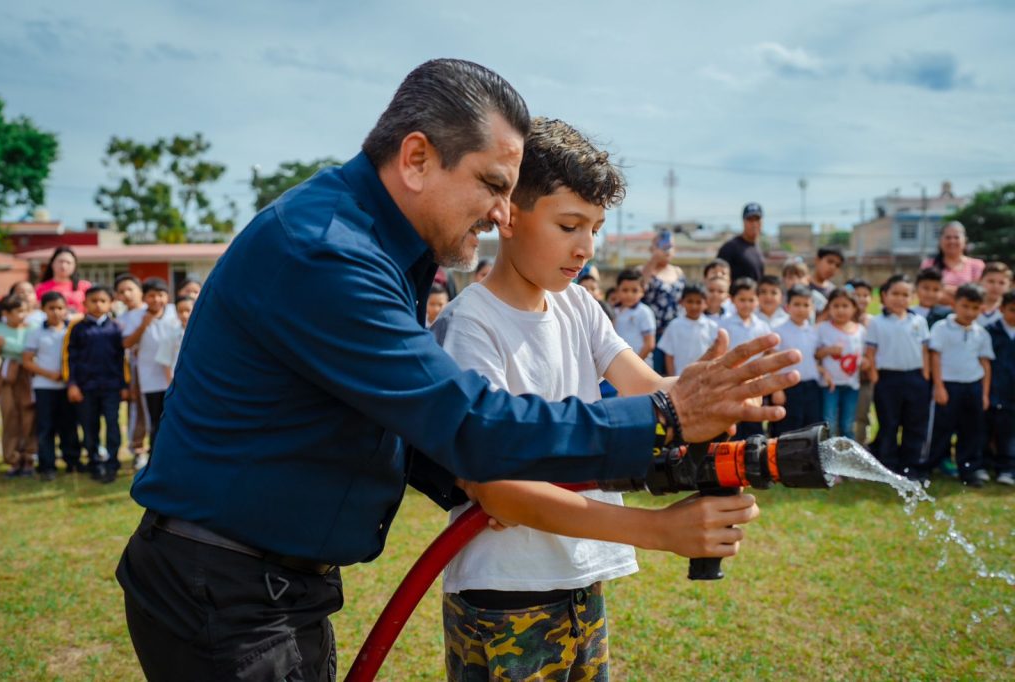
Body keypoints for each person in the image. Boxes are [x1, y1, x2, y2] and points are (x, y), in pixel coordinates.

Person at [115, 59, 800, 679]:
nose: (502, 213)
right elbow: (468, 420)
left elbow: (394, 415)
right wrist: (665, 417)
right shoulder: (329, 253)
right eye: (493, 185)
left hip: (263, 587)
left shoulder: (377, 243)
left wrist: (464, 481)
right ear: (417, 158)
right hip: (226, 593)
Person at [433, 116, 760, 681]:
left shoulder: (577, 306)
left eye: (595, 228)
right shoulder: (471, 326)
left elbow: (649, 392)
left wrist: (706, 393)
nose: (585, 247)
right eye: (569, 225)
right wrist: (659, 531)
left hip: (579, 574)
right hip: (507, 588)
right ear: (507, 214)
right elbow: (497, 489)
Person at [923, 283, 994, 487]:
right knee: (941, 428)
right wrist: (939, 386)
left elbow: (985, 364)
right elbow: (935, 357)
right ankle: (929, 466)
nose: (970, 312)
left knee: (972, 430)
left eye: (975, 308)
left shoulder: (981, 333)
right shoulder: (941, 328)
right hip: (948, 386)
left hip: (973, 387)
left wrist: (984, 394)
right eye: (965, 306)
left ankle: (969, 470)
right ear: (954, 304)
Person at [865, 274, 931, 477]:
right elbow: (871, 352)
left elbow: (925, 350)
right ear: (885, 295)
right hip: (887, 379)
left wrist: (925, 374)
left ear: (912, 297)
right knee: (889, 423)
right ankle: (888, 465)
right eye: (895, 293)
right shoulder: (877, 322)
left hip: (916, 378)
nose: (899, 299)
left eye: (905, 294)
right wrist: (874, 375)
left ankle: (910, 464)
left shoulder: (919, 321)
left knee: (914, 423)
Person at [62, 286, 128, 484]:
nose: (98, 305)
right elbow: (70, 358)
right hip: (85, 387)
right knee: (89, 426)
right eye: (93, 301)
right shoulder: (77, 328)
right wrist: (72, 384)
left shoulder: (116, 328)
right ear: (85, 303)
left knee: (112, 424)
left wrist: (124, 385)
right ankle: (94, 462)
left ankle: (112, 462)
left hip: (111, 387)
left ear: (110, 304)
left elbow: (122, 359)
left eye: (103, 301)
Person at [121, 278, 180, 470]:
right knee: (154, 419)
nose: (156, 299)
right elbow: (126, 344)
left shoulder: (174, 312)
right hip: (149, 378)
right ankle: (154, 457)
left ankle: (174, 454)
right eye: (151, 295)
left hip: (175, 376)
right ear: (144, 298)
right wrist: (143, 325)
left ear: (167, 296)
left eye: (161, 295)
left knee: (175, 416)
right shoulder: (136, 316)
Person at [22, 292, 80, 480]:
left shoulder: (72, 330)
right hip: (45, 386)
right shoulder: (36, 332)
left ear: (66, 309)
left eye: (60, 308)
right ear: (43, 309)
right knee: (46, 427)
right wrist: (49, 374)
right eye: (51, 308)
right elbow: (27, 361)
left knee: (69, 425)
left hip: (68, 387)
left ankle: (72, 461)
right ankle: (47, 465)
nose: (56, 312)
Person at [719, 277, 773, 438]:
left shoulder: (762, 326)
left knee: (754, 423)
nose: (747, 304)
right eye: (742, 300)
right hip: (732, 381)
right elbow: (721, 353)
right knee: (733, 423)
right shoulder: (725, 325)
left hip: (756, 382)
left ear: (757, 300)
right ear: (732, 300)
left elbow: (768, 354)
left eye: (751, 300)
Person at [0, 295, 36, 477]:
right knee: (9, 415)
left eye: (25, 311)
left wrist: (6, 343)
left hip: (28, 375)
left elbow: (27, 350)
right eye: (18, 311)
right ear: (6, 313)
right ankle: (13, 458)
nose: (23, 315)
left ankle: (29, 457)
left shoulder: (32, 329)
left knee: (29, 415)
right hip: (7, 375)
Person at [770, 286, 822, 436]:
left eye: (806, 305)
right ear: (787, 307)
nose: (801, 309)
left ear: (812, 308)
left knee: (811, 426)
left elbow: (812, 358)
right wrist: (777, 389)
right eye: (797, 304)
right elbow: (773, 361)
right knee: (788, 428)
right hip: (788, 386)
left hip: (811, 386)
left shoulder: (813, 331)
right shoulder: (778, 330)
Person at [815, 288, 865, 440]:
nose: (840, 310)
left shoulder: (860, 331)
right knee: (829, 422)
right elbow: (815, 355)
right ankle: (828, 451)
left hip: (852, 385)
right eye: (836, 306)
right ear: (829, 308)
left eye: (845, 306)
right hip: (830, 385)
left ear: (854, 308)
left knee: (847, 423)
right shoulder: (823, 329)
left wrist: (866, 363)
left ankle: (848, 451)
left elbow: (865, 355)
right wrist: (828, 350)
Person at [115, 274, 150, 464]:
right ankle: (138, 448)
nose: (127, 294)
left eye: (130, 289)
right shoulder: (120, 320)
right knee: (137, 408)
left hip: (159, 368)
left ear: (140, 291)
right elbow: (126, 344)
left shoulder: (153, 310)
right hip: (135, 368)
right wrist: (143, 327)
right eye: (121, 291)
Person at [641, 229, 685, 374]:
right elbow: (641, 287)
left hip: (676, 332)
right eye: (662, 245)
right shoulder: (644, 270)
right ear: (652, 248)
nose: (667, 249)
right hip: (655, 333)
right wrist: (653, 260)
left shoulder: (678, 271)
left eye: (670, 246)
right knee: (656, 374)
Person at [985, 291, 1015, 486]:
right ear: (1002, 309)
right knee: (985, 430)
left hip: (1012, 394)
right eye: (1012, 310)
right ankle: (984, 464)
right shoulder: (989, 331)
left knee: (1009, 433)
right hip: (992, 390)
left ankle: (1007, 469)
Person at [658, 281, 718, 377]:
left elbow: (715, 354)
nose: (694, 306)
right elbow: (669, 355)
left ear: (706, 304)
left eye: (698, 302)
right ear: (682, 302)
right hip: (679, 376)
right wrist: (672, 377)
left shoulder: (712, 326)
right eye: (690, 301)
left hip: (703, 377)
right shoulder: (674, 326)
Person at [920, 221, 985, 306]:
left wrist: (944, 289)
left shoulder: (977, 266)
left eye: (956, 237)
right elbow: (925, 293)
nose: (952, 241)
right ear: (940, 240)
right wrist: (962, 295)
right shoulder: (929, 265)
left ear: (965, 240)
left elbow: (978, 295)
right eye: (948, 237)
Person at [848, 278, 877, 449]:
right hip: (845, 375)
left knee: (863, 413)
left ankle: (861, 447)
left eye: (865, 295)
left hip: (865, 376)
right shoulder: (842, 319)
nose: (861, 299)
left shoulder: (874, 321)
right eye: (856, 295)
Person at [613, 268, 656, 363]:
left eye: (634, 290)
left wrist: (635, 364)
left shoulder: (644, 312)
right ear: (617, 290)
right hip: (618, 364)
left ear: (642, 292)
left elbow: (649, 344)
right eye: (625, 290)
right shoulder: (613, 311)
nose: (629, 295)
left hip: (641, 363)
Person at [35, 246, 93, 313]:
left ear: (74, 266)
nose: (64, 266)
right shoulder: (40, 288)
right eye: (61, 261)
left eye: (68, 262)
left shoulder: (85, 286)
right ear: (52, 263)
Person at [717, 203, 765, 282]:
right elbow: (719, 278)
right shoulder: (730, 248)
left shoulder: (757, 248)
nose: (754, 224)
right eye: (750, 220)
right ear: (743, 222)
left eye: (757, 219)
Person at [156, 296, 195, 384]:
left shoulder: (203, 333)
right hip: (180, 382)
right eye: (180, 311)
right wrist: (171, 385)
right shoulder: (170, 335)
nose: (184, 315)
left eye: (188, 310)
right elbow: (166, 363)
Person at [978, 261, 1012, 327]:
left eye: (1001, 283)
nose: (996, 286)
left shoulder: (1011, 311)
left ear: (1009, 285)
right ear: (980, 281)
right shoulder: (969, 307)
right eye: (991, 281)